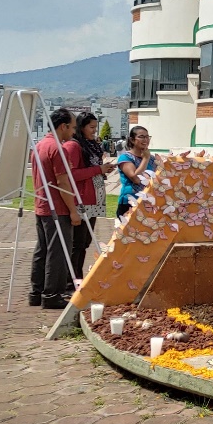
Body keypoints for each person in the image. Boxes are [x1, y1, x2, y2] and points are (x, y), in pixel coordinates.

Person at [29, 109, 81, 310]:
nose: (73, 132)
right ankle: (52, 294)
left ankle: (37, 292)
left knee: (42, 249)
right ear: (63, 127)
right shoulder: (58, 149)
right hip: (57, 207)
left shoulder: (40, 145)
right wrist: (73, 210)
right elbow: (63, 183)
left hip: (42, 205)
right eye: (73, 127)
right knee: (58, 251)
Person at [69, 112, 110, 279]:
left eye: (95, 127)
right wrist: (98, 170)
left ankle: (76, 276)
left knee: (85, 242)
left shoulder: (93, 145)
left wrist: (102, 171)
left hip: (94, 199)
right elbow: (72, 174)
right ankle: (72, 277)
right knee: (77, 242)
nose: (94, 131)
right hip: (82, 199)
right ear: (81, 127)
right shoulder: (75, 146)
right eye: (91, 127)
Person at [115, 126, 157, 220]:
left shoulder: (153, 159)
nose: (145, 140)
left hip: (147, 202)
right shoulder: (125, 158)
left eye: (147, 137)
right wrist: (145, 158)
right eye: (141, 137)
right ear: (132, 140)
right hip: (129, 202)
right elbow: (136, 179)